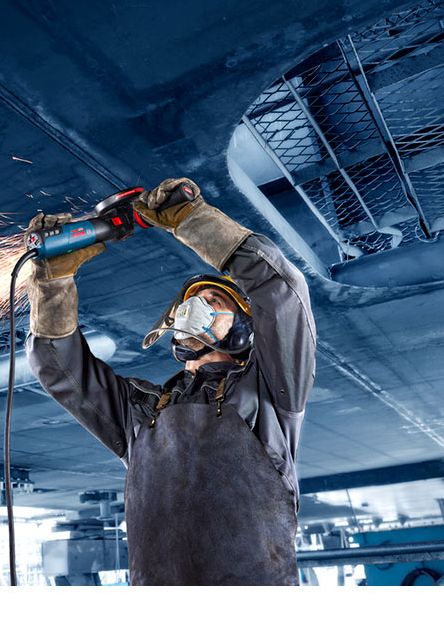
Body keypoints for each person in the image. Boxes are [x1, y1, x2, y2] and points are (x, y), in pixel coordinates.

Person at [24, 177, 317, 585]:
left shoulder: (270, 386)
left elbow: (281, 291)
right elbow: (58, 366)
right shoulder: (141, 413)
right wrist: (52, 283)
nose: (195, 307)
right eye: (189, 303)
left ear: (245, 327)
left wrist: (192, 219)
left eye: (213, 301)